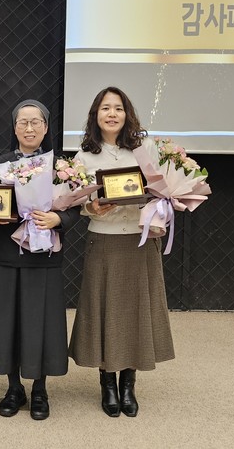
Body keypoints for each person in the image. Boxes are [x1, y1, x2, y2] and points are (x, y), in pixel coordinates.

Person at [69, 86, 175, 418]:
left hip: (140, 242)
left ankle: (129, 384)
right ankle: (107, 384)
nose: (112, 114)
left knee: (135, 313)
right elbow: (78, 203)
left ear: (127, 114)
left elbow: (163, 191)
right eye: (105, 108)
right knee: (106, 312)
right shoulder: (84, 156)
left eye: (118, 108)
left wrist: (161, 206)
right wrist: (92, 207)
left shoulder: (145, 149)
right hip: (104, 240)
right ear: (95, 115)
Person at [0, 99, 79, 421]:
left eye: (36, 122)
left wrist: (59, 219)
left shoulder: (61, 167)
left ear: (46, 128)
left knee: (41, 321)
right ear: (14, 127)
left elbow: (75, 206)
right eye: (23, 122)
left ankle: (40, 389)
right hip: (6, 253)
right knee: (8, 320)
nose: (29, 128)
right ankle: (13, 387)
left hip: (44, 255)